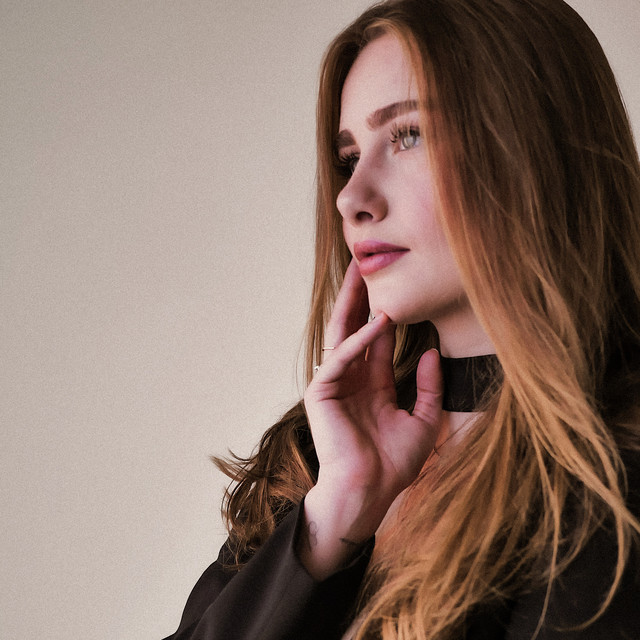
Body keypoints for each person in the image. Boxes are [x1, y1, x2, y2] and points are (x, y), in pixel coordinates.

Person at [163, 0, 640, 638]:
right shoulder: (320, 453)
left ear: (535, 145)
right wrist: (333, 519)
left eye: (408, 134)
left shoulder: (610, 479)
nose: (350, 197)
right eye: (348, 156)